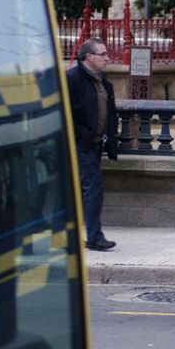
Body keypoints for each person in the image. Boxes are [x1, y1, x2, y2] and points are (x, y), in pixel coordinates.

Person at [66, 39, 119, 252]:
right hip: (80, 144)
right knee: (93, 188)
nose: (107, 58)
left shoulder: (101, 80)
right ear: (89, 57)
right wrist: (83, 134)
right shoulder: (73, 79)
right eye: (103, 54)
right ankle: (94, 237)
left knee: (79, 190)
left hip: (95, 144)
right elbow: (64, 112)